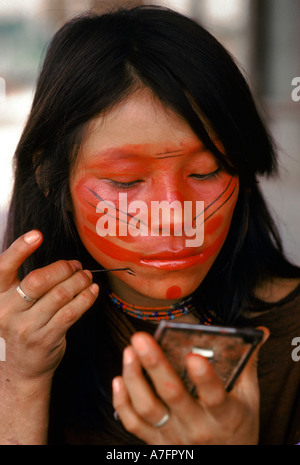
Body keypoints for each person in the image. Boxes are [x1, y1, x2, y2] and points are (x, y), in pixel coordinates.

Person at [0, 5, 299, 446]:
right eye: (125, 181)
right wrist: (21, 380)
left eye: (205, 171)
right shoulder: (14, 337)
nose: (174, 213)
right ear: (48, 177)